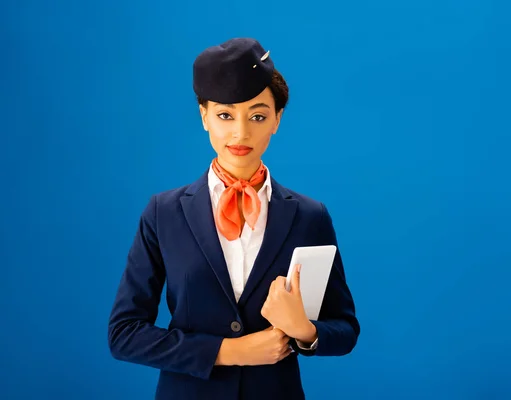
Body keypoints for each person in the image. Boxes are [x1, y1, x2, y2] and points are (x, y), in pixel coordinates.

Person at [107, 37, 360, 400]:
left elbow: (345, 329)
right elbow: (124, 334)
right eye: (225, 115)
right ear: (204, 116)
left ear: (277, 119)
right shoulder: (163, 213)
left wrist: (304, 330)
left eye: (258, 116)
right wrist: (232, 351)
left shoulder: (309, 216)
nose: (241, 133)